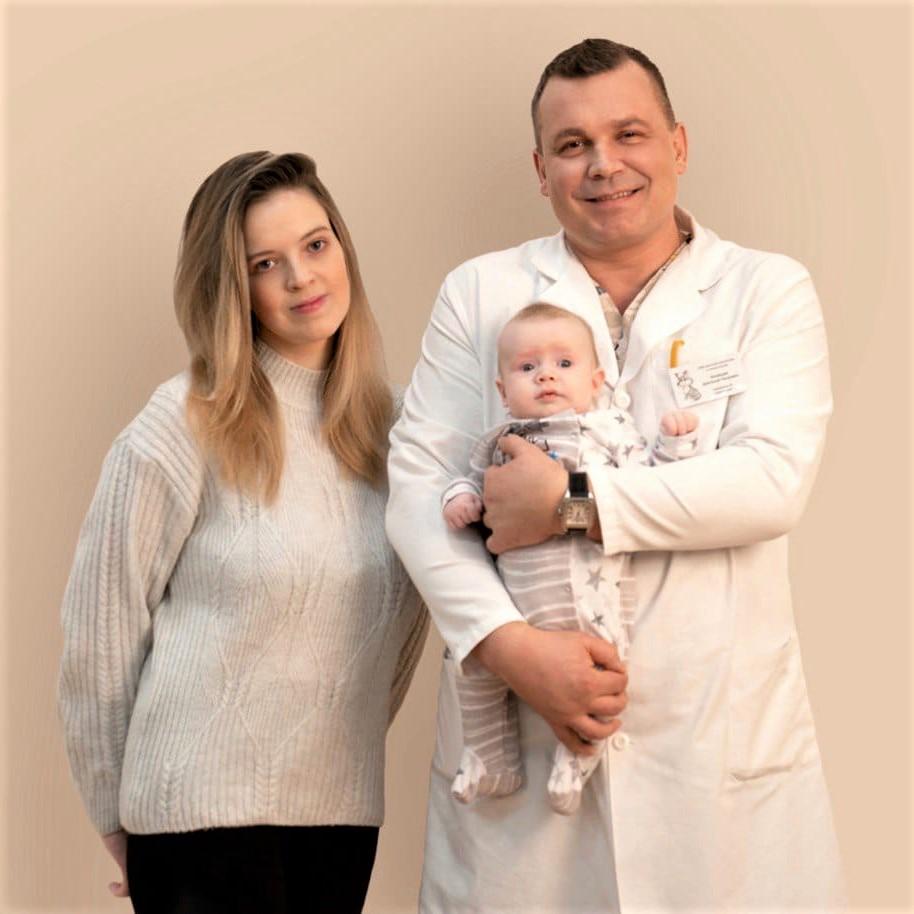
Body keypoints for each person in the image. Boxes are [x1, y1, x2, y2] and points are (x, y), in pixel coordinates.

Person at [387, 38, 846, 912]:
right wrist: (510, 648)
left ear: (678, 145)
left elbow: (769, 481)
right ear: (541, 169)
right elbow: (418, 492)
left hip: (716, 752)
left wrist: (571, 504)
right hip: (528, 749)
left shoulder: (766, 291)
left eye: (629, 134)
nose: (604, 165)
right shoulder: (479, 293)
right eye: (573, 145)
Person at [58, 151, 428, 914]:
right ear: (232, 287)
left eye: (316, 245)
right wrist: (117, 814)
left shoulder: (401, 431)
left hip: (340, 815)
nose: (301, 278)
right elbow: (100, 634)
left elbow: (397, 631)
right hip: (195, 819)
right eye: (265, 264)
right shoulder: (183, 423)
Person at [443, 302, 697, 814]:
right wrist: (460, 499)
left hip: (590, 591)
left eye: (564, 364)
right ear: (502, 391)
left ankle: (576, 760)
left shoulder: (606, 430)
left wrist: (676, 443)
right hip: (512, 605)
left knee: (596, 676)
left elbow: (653, 483)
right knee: (478, 669)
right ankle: (489, 758)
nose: (546, 376)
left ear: (596, 381)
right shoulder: (500, 440)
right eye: (527, 367)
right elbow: (467, 481)